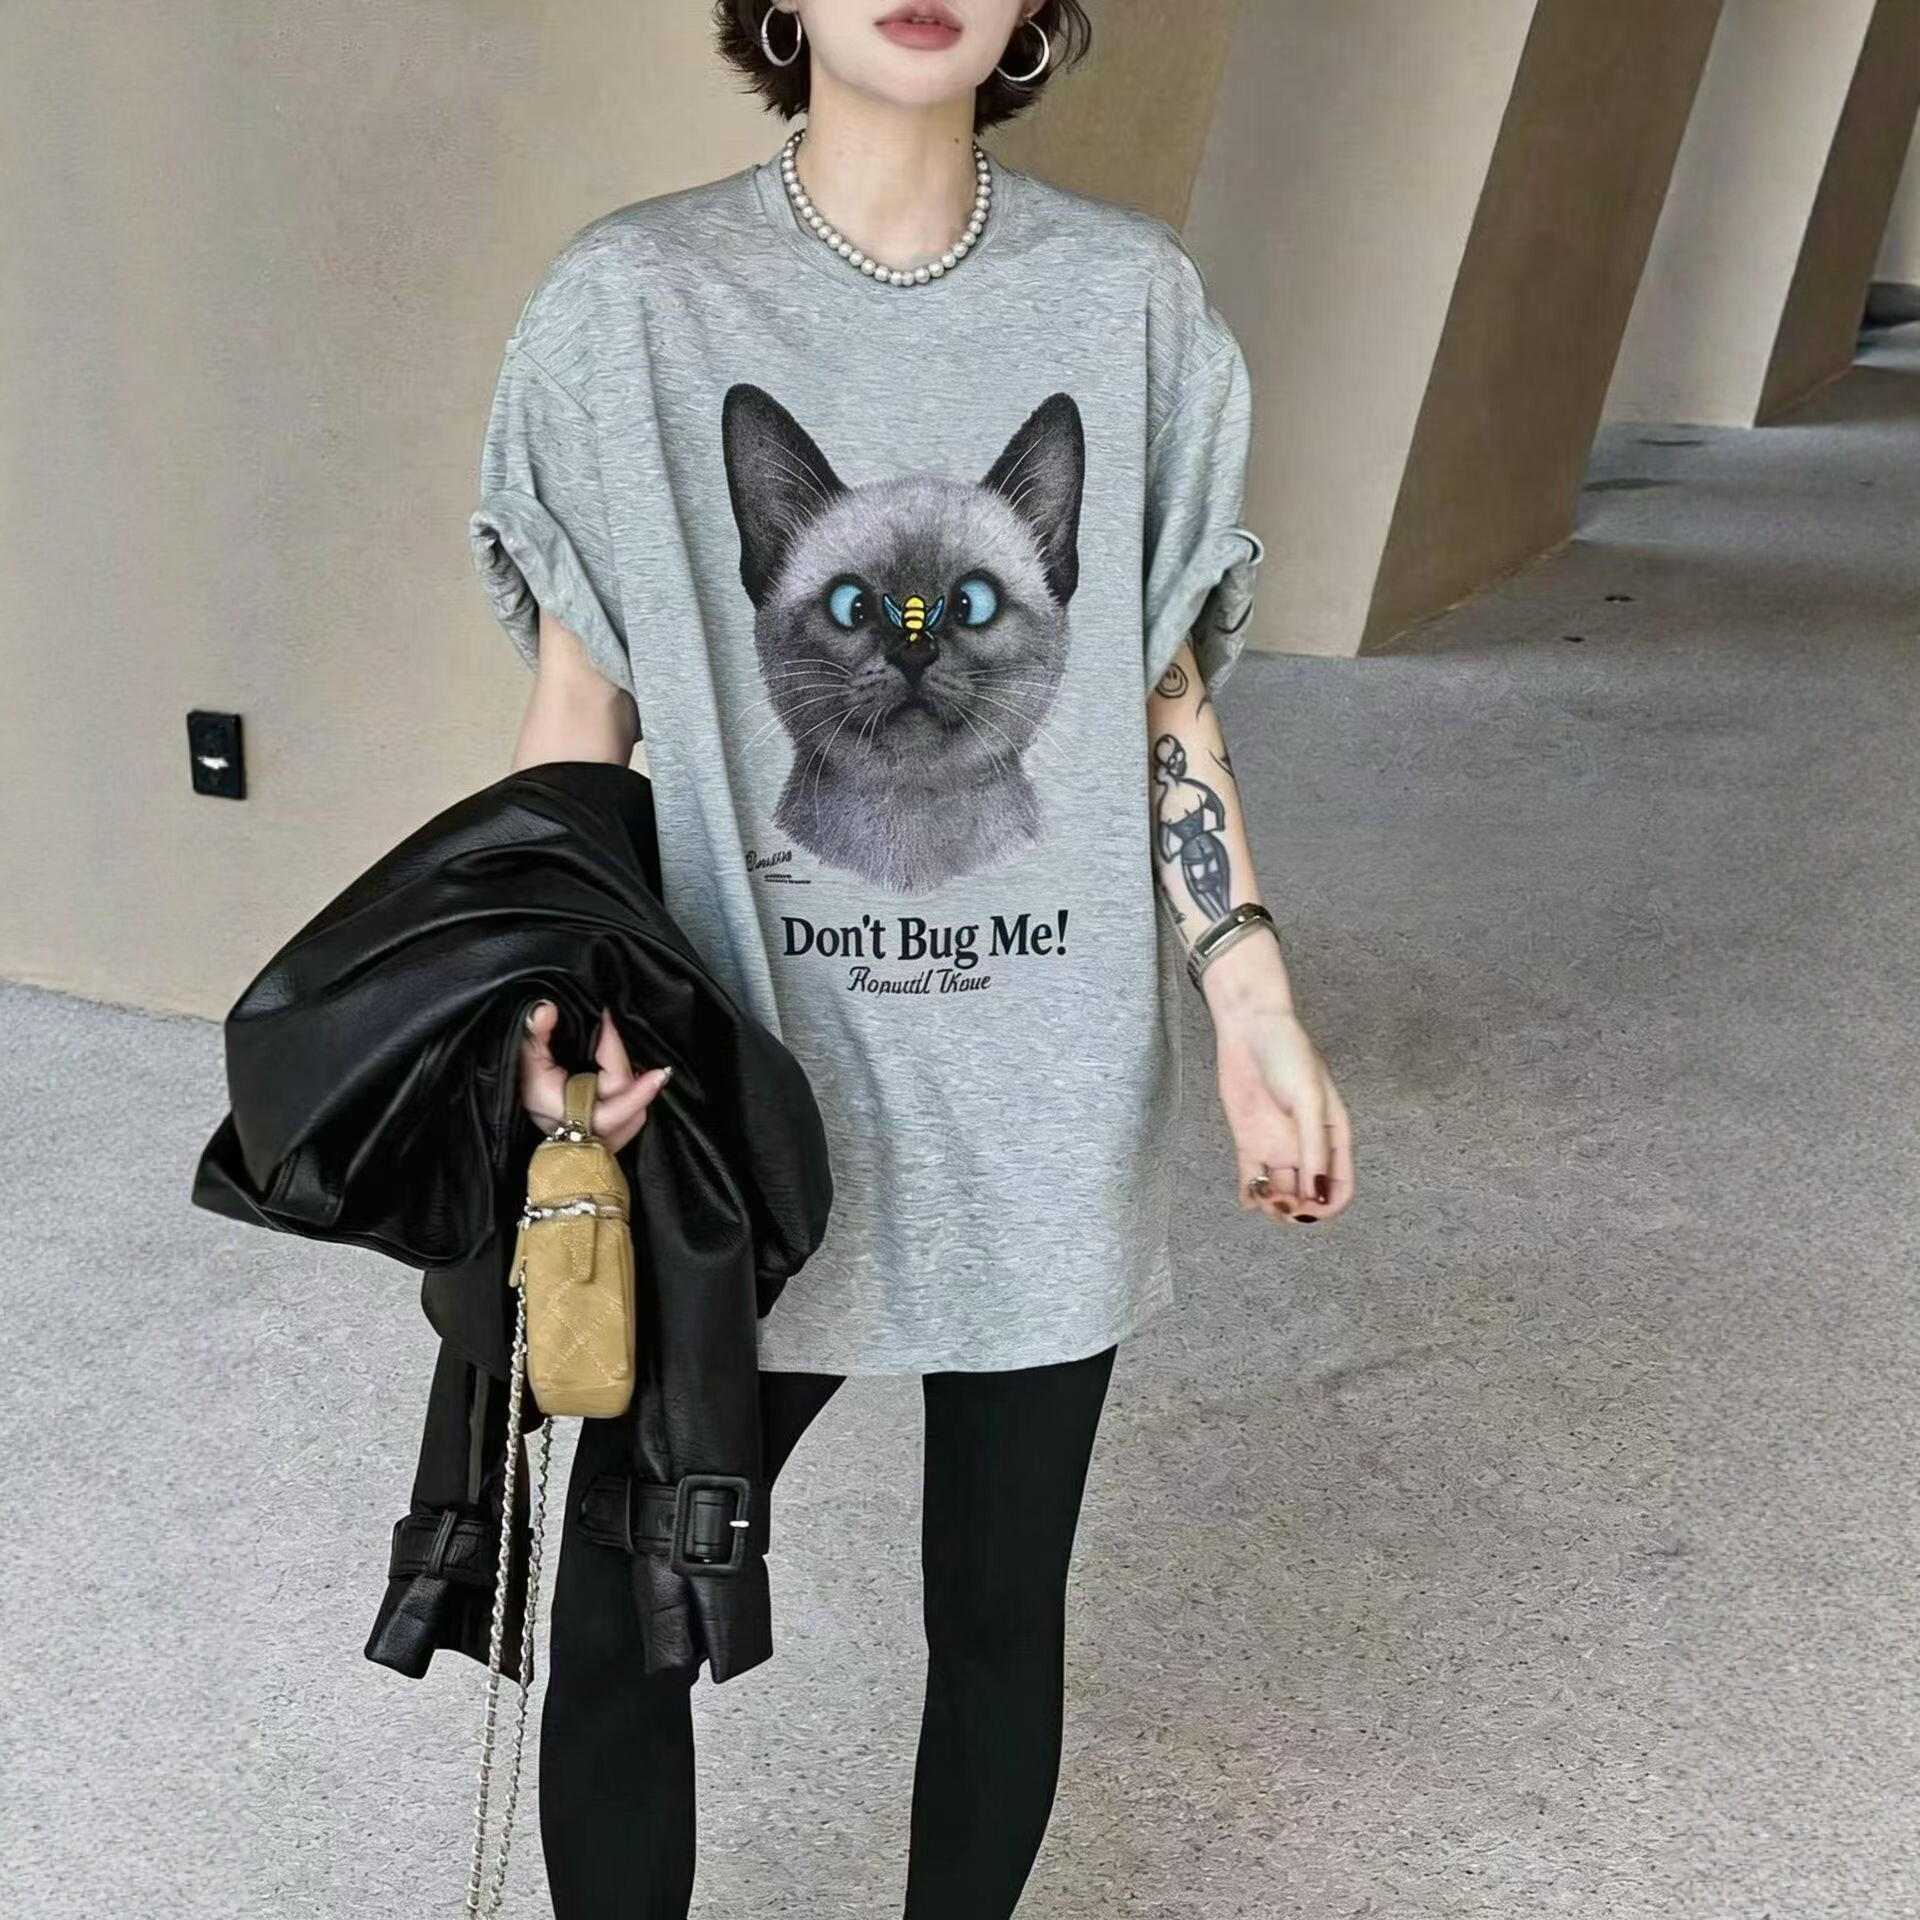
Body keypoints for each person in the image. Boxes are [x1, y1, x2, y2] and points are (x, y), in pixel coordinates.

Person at [467, 3, 1357, 1913]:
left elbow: (1156, 688)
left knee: (1002, 1618)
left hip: (1040, 1086)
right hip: (724, 1102)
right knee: (623, 1613)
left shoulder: (1125, 302)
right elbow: (580, 716)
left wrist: (1250, 993)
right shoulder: (631, 305)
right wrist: (546, 1001)